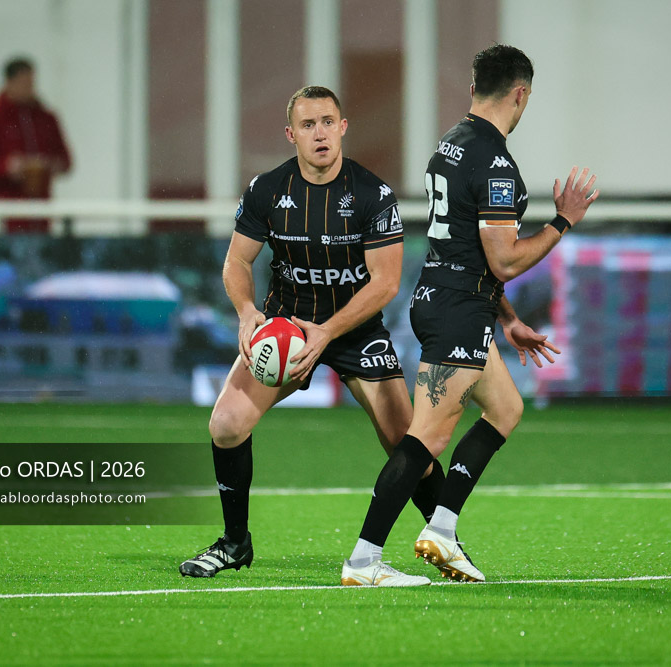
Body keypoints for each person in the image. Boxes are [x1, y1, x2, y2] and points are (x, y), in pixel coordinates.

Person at [341, 44, 599, 586]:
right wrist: (562, 223)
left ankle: (442, 528)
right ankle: (364, 560)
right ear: (521, 93)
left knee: (505, 409)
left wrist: (505, 319)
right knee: (424, 440)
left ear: (474, 88)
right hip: (457, 312)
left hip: (453, 300)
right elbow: (503, 258)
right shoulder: (496, 162)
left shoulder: (451, 145)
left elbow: (470, 249)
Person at [179, 86, 457, 580]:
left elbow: (386, 282)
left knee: (407, 443)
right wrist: (246, 311)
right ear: (291, 135)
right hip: (284, 328)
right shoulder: (266, 189)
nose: (320, 133)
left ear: (344, 126)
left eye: (328, 121)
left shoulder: (373, 193)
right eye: (308, 125)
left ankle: (445, 540)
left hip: (353, 330)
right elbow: (237, 261)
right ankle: (234, 542)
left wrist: (327, 331)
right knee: (225, 424)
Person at [0, 57, 71, 231]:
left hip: (40, 214)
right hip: (4, 217)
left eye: (31, 83)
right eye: (23, 83)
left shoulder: (47, 120)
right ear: (9, 83)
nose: (28, 89)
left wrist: (49, 165)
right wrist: (5, 167)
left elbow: (66, 160)